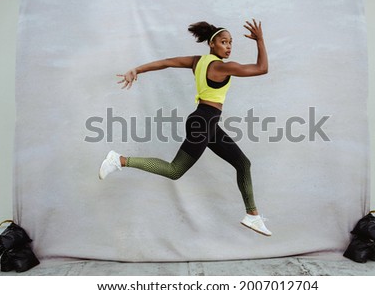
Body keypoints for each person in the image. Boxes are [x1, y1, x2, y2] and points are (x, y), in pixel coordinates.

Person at [99, 19, 271, 236]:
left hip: (206, 122)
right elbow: (261, 68)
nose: (228, 47)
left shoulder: (197, 61)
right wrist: (260, 40)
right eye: (223, 42)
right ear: (212, 44)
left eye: (230, 43)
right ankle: (120, 160)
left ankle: (252, 215)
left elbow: (167, 62)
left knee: (243, 163)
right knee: (175, 170)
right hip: (204, 121)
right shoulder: (220, 66)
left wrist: (137, 70)